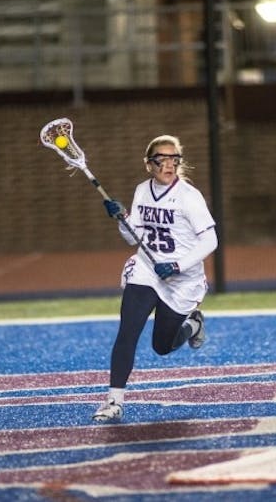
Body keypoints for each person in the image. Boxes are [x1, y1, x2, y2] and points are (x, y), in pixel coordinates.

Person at [93, 134, 218, 422]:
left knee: (161, 346)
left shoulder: (189, 197)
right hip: (147, 270)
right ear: (149, 164)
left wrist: (177, 265)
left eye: (174, 159)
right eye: (162, 159)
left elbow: (210, 240)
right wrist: (122, 218)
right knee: (128, 331)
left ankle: (193, 325)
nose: (169, 165)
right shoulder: (142, 190)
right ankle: (114, 401)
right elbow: (133, 237)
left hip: (182, 279)